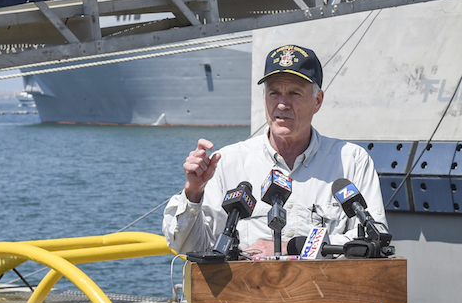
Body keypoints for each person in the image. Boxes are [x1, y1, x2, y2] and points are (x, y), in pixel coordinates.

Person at [162, 44, 385, 257]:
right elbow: (188, 247)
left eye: (295, 94)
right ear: (263, 98)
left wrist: (293, 247)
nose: (282, 104)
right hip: (247, 295)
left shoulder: (352, 161)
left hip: (324, 295)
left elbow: (376, 238)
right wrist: (194, 191)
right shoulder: (228, 163)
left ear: (318, 101)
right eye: (274, 93)